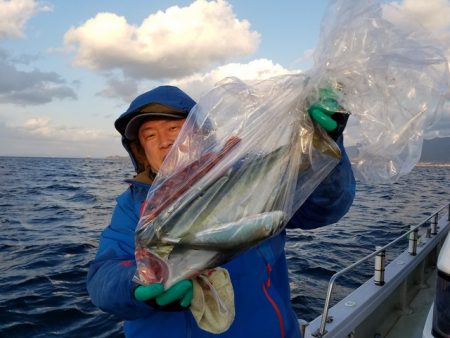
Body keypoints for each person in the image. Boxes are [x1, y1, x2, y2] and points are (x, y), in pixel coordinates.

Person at [87, 85, 355, 338]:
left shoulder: (246, 179)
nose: (165, 142)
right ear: (141, 149)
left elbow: (322, 209)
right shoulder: (133, 205)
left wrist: (323, 146)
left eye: (174, 129)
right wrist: (135, 287)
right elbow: (103, 276)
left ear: (200, 135)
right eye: (150, 135)